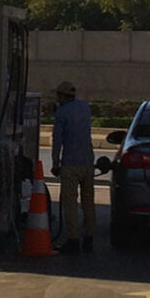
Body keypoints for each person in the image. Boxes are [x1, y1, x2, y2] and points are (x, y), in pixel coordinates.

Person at [51, 80, 95, 255]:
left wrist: (55, 164)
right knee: (88, 202)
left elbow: (57, 141)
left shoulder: (62, 112)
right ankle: (89, 238)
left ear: (62, 96)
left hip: (70, 164)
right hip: (88, 162)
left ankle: (73, 239)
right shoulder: (85, 108)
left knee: (70, 203)